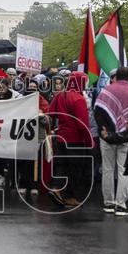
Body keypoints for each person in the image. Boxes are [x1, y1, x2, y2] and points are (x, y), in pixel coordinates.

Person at [47, 71, 93, 206]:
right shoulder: (79, 99)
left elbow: (51, 112)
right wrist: (90, 141)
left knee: (62, 164)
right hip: (75, 139)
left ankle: (56, 187)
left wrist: (63, 119)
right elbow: (83, 125)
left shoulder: (61, 95)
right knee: (75, 168)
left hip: (61, 136)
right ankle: (69, 195)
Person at [94, 67, 128, 216]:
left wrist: (104, 131)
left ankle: (109, 203)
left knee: (107, 169)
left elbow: (98, 111)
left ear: (116, 76)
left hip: (107, 136)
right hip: (126, 137)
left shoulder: (106, 90)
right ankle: (121, 205)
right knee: (124, 171)